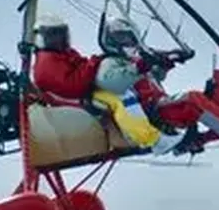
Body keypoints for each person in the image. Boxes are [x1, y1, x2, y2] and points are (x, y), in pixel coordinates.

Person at [30, 13, 183, 155]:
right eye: (53, 36)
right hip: (72, 97)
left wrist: (96, 63)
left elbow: (80, 67)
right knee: (120, 99)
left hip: (83, 89)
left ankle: (159, 124)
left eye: (61, 35)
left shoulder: (61, 53)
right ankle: (151, 140)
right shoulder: (46, 63)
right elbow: (72, 85)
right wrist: (95, 64)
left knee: (129, 88)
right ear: (41, 38)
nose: (59, 40)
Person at [99, 17, 219, 146]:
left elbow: (154, 76)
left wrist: (169, 60)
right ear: (111, 40)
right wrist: (140, 67)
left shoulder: (133, 62)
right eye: (122, 38)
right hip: (152, 113)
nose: (127, 43)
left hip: (161, 105)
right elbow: (113, 82)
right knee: (193, 99)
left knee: (218, 88)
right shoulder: (109, 63)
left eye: (129, 38)